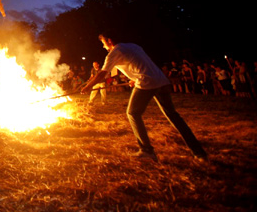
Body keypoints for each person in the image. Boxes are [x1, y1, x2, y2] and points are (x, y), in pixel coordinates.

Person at [81, 32, 208, 162]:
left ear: (110, 41)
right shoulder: (134, 46)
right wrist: (134, 79)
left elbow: (102, 74)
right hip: (161, 81)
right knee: (173, 115)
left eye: (103, 44)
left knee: (132, 113)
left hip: (147, 82)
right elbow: (139, 65)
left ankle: (147, 151)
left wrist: (88, 86)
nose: (103, 47)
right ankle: (199, 152)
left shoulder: (114, 52)